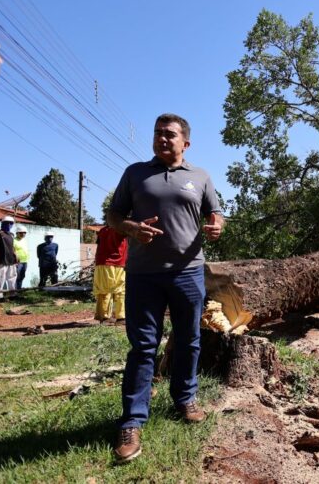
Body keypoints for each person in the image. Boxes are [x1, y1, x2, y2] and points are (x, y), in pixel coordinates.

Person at [107, 113, 223, 463]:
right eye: (158, 133)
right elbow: (113, 216)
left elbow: (216, 213)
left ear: (185, 143)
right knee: (143, 347)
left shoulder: (200, 177)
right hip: (144, 274)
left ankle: (185, 400)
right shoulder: (135, 173)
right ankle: (132, 421)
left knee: (189, 339)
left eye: (170, 134)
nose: (162, 139)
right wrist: (132, 227)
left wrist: (218, 226)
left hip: (188, 273)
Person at [93, 224, 128, 324]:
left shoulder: (102, 230)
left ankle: (103, 316)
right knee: (120, 290)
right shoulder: (123, 228)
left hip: (102, 263)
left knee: (103, 290)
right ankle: (121, 317)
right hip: (118, 262)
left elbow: (99, 245)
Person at [14, 225, 29, 289]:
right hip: (18, 262)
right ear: (17, 233)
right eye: (21, 232)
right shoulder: (14, 240)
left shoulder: (24, 240)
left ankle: (19, 289)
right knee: (16, 276)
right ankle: (15, 291)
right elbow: (12, 250)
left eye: (24, 233)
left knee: (22, 276)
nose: (23, 234)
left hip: (25, 261)